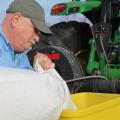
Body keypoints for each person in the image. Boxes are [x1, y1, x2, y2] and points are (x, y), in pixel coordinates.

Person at [0, 0, 55, 70]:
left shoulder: (22, 57)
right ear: (16, 20)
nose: (37, 38)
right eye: (35, 30)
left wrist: (39, 70)